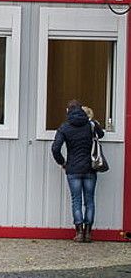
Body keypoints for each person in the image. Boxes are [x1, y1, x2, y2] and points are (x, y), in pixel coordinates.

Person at [52, 100, 106, 243]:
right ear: (82, 110)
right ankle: (88, 233)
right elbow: (101, 135)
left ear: (67, 111)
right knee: (89, 201)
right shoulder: (90, 125)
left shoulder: (64, 127)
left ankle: (79, 233)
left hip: (73, 170)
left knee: (76, 201)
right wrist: (92, 120)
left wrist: (62, 162)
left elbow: (55, 148)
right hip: (90, 169)